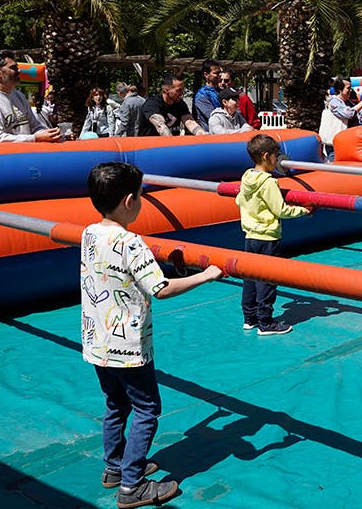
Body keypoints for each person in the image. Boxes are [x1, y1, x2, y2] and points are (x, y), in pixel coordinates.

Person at [81, 161, 223, 508]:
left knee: (116, 404)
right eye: (142, 196)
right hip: (128, 346)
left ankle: (115, 467)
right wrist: (205, 275)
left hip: (97, 341)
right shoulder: (131, 243)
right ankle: (132, 485)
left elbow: (123, 275)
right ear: (130, 201)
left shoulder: (88, 232)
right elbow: (159, 288)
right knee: (147, 408)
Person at [236, 134, 312, 335]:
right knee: (267, 279)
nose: (278, 161)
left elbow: (239, 201)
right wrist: (303, 211)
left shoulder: (246, 177)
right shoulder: (268, 182)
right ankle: (266, 322)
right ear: (266, 156)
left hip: (250, 236)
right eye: (276, 156)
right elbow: (281, 210)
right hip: (268, 237)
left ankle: (249, 318)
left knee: (250, 278)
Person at [0, 50, 60, 143]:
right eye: (13, 68)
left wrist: (51, 134)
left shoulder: (19, 96)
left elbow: (34, 126)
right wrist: (35, 138)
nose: (19, 70)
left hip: (22, 155)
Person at [139, 75, 206, 137]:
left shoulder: (180, 104)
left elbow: (190, 122)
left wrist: (203, 135)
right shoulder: (152, 103)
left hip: (169, 145)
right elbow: (161, 126)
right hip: (150, 146)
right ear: (166, 90)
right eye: (178, 90)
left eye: (183, 90)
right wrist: (172, 143)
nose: (182, 93)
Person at [193, 59, 222, 131]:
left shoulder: (222, 91)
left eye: (220, 72)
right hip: (213, 136)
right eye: (216, 73)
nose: (219, 75)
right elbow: (212, 117)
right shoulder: (202, 95)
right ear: (206, 75)